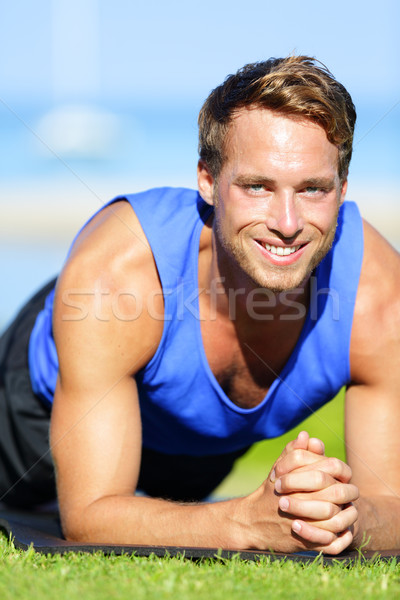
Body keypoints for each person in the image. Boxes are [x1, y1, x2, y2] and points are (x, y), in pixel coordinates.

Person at [1, 55, 399, 555]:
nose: (288, 221)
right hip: (36, 417)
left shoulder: (380, 298)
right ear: (208, 182)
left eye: (313, 189)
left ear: (342, 190)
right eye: (257, 186)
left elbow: (393, 504)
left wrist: (340, 515)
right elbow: (90, 517)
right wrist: (246, 524)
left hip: (201, 451)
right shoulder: (119, 275)